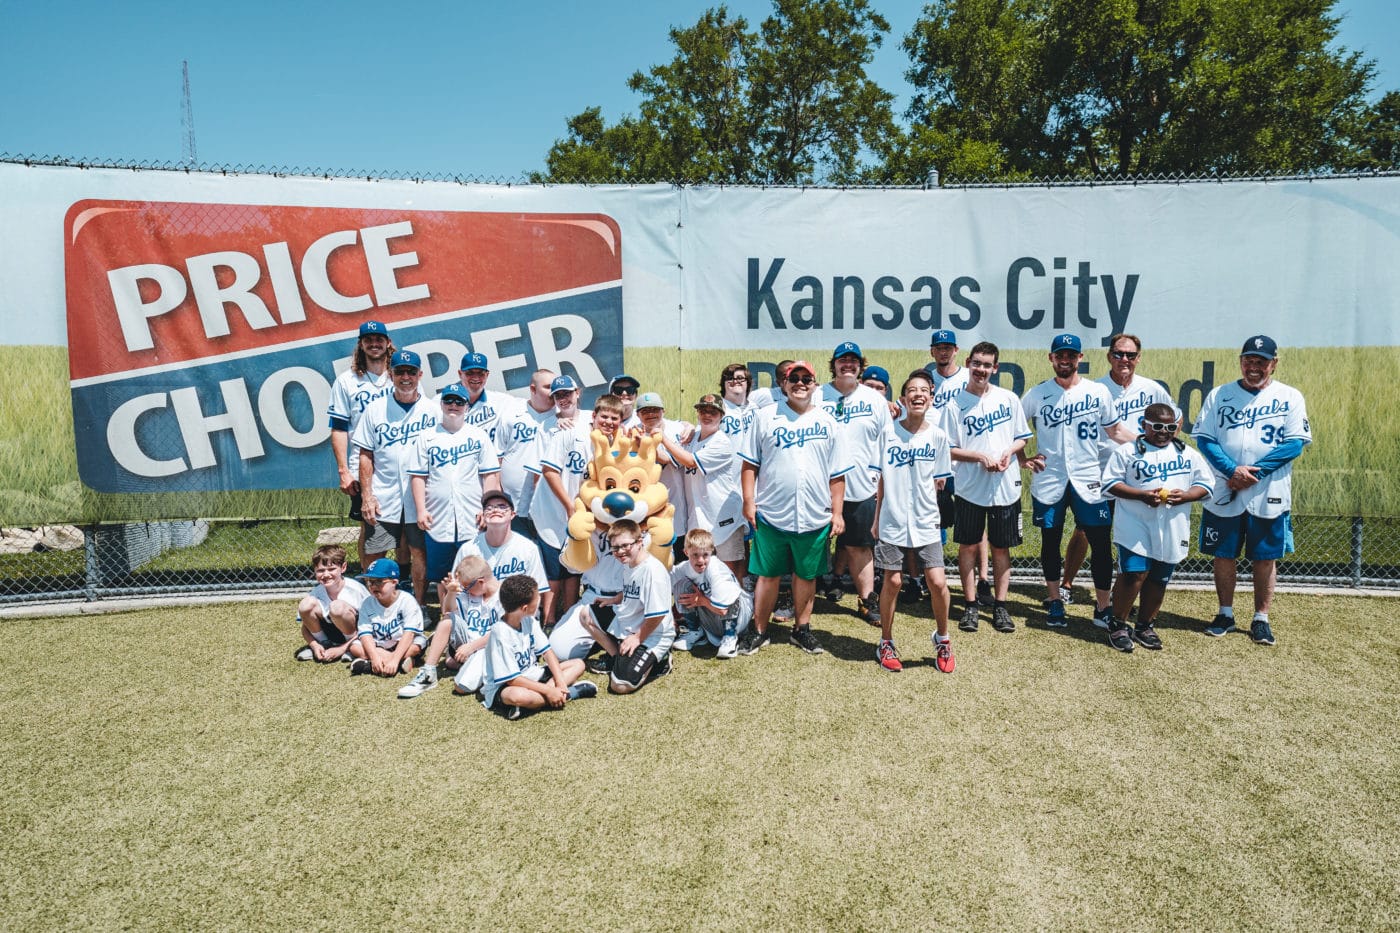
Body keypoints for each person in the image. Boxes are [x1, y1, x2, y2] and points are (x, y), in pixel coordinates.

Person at [1192, 335, 1312, 646]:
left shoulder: (1290, 396)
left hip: (1267, 488)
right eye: (1249, 360)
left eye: (1261, 361)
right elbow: (1205, 438)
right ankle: (1225, 613)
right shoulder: (1220, 394)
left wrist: (1251, 474)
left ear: (1274, 363)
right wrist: (1232, 470)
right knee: (1224, 553)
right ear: (1241, 361)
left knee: (1265, 557)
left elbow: (1294, 443)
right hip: (1226, 485)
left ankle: (1261, 618)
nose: (1254, 366)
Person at [738, 359, 852, 656]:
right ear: (783, 384)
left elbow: (837, 474)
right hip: (772, 512)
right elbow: (750, 464)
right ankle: (759, 630)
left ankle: (802, 629)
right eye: (794, 378)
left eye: (807, 379)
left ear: (815, 384)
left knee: (806, 575)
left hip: (814, 515)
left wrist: (837, 512)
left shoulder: (828, 422)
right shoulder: (765, 417)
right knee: (768, 575)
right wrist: (749, 502)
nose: (800, 383)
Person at [1022, 334, 1135, 628]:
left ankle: (1102, 606)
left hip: (1089, 479)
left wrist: (1148, 443)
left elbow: (1115, 431)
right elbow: (1015, 430)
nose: (1065, 360)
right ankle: (1055, 601)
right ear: (1051, 358)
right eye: (1060, 355)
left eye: (1071, 355)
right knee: (1050, 542)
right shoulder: (1037, 393)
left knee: (1099, 543)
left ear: (1079, 358)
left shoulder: (1097, 392)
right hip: (1050, 481)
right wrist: (1022, 458)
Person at [1060, 333, 1173, 611]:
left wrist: (1158, 452)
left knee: (1133, 534)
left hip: (1140, 477)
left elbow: (1174, 419)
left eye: (1130, 355)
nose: (1124, 359)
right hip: (1101, 472)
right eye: (1119, 354)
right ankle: (1066, 584)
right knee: (1086, 530)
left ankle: (1124, 591)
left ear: (1138, 358)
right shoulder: (1095, 388)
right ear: (1109, 356)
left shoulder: (1152, 389)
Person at [1102, 403, 1214, 652]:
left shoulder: (1187, 453)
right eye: (1158, 426)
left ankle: (1144, 625)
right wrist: (1140, 495)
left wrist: (1186, 496)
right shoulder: (1127, 452)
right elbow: (1109, 484)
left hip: (1172, 525)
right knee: (1133, 574)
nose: (1164, 431)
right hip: (1135, 521)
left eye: (1170, 427)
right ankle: (1118, 624)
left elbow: (1206, 485)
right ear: (1144, 425)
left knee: (1159, 578)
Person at [872, 371, 956, 673]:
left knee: (936, 581)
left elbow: (939, 484)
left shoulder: (938, 436)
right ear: (903, 398)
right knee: (892, 582)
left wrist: (931, 515)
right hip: (892, 520)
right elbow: (881, 480)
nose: (918, 394)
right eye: (911, 390)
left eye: (924, 390)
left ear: (931, 398)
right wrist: (877, 518)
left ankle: (943, 639)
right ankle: (886, 641)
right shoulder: (888, 433)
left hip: (925, 521)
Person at [948, 342, 1031, 634]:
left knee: (1000, 547)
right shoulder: (955, 404)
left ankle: (1000, 606)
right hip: (970, 488)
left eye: (987, 365)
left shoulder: (1008, 399)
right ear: (969, 363)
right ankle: (970, 606)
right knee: (968, 546)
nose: (981, 370)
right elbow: (949, 449)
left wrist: (1009, 452)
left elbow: (1022, 437)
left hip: (1005, 487)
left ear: (995, 368)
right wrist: (980, 456)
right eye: (977, 364)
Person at [353, 349, 439, 605]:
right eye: (399, 371)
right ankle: (375, 605)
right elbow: (365, 455)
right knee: (375, 552)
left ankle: (420, 604)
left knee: (419, 552)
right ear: (390, 375)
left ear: (419, 375)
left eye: (410, 372)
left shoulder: (433, 410)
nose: (405, 377)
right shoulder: (376, 410)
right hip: (384, 493)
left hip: (421, 497)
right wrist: (366, 496)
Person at [817, 341, 893, 624]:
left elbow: (887, 443)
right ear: (833, 365)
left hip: (861, 485)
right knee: (808, 544)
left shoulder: (874, 400)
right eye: (842, 360)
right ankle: (798, 598)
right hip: (819, 486)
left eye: (853, 360)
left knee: (861, 547)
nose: (847, 365)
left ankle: (866, 600)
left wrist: (883, 479)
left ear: (860, 366)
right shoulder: (816, 396)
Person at [532, 394, 625, 623]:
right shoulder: (570, 433)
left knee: (575, 566)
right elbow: (549, 471)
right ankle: (549, 619)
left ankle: (569, 614)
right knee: (555, 569)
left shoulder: (616, 445)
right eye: (604, 416)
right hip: (554, 510)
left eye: (614, 418)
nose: (609, 422)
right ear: (593, 416)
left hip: (583, 514)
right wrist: (568, 505)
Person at [408, 382, 501, 603]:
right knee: (443, 575)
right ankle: (446, 616)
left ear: (467, 407)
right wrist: (421, 510)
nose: (453, 405)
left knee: (475, 570)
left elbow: (489, 475)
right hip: (438, 517)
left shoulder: (478, 436)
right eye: (449, 400)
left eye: (459, 401)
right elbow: (418, 477)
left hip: (471, 516)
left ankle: (478, 614)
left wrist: (487, 508)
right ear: (441, 404)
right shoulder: (427, 436)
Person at [923, 329, 990, 606]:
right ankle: (932, 578)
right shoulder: (927, 377)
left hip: (962, 458)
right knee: (933, 518)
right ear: (932, 351)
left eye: (948, 347)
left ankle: (983, 578)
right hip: (934, 459)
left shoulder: (967, 376)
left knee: (975, 523)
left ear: (956, 350)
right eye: (939, 347)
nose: (943, 352)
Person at [575, 520, 676, 694]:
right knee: (586, 614)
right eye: (615, 548)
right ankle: (616, 659)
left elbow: (657, 615)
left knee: (620, 685)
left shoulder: (652, 570)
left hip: (653, 634)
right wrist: (616, 599)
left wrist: (637, 638)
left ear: (640, 541)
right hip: (630, 622)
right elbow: (634, 587)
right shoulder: (631, 562)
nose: (620, 551)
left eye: (625, 546)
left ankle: (661, 661)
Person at [480, 575, 595, 720]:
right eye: (537, 598)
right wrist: (548, 690)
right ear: (525, 608)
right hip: (506, 686)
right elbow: (513, 680)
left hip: (534, 676)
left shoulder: (529, 620)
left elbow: (547, 652)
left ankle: (549, 697)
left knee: (578, 664)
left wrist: (559, 682)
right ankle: (570, 693)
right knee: (518, 696)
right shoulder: (500, 632)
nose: (540, 598)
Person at [326, 320, 393, 562]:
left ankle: (402, 579)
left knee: (407, 527)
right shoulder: (347, 381)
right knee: (372, 523)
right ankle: (372, 579)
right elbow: (339, 428)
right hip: (362, 463)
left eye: (379, 339)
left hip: (398, 463)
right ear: (361, 344)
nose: (374, 344)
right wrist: (344, 470)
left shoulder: (402, 375)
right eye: (368, 340)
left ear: (388, 343)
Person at [664, 393, 747, 581]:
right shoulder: (692, 439)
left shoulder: (721, 441)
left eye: (713, 412)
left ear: (721, 416)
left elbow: (690, 461)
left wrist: (662, 439)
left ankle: (734, 607)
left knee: (729, 571)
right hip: (700, 514)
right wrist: (686, 426)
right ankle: (704, 608)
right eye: (703, 410)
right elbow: (672, 458)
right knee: (700, 569)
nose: (707, 415)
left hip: (724, 515)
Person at [398, 555, 500, 698]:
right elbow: (448, 611)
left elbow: (502, 632)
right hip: (467, 643)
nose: (465, 590)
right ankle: (429, 673)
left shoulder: (504, 595)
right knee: (447, 621)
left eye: (467, 587)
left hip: (491, 648)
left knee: (461, 686)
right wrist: (451, 592)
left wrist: (472, 647)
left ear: (481, 582)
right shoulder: (472, 590)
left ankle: (487, 674)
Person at [671, 528, 752, 659]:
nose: (700, 560)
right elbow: (662, 586)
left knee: (729, 592)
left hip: (739, 617)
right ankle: (696, 632)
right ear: (686, 552)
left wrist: (701, 600)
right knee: (681, 585)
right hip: (712, 617)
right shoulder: (684, 568)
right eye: (695, 555)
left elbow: (723, 610)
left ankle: (730, 636)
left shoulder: (716, 568)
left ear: (712, 552)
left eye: (705, 555)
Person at [495, 368, 558, 533]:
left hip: (547, 507)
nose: (553, 392)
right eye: (547, 387)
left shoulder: (561, 419)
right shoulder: (511, 414)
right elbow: (497, 458)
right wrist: (498, 495)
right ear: (532, 389)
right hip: (511, 504)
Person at [452, 489, 550, 592]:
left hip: (516, 606)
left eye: (502, 506)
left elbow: (536, 593)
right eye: (489, 508)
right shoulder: (468, 549)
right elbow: (457, 592)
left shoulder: (528, 548)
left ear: (512, 514)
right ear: (484, 515)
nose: (495, 510)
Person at [634, 392, 692, 560]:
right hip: (652, 510)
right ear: (638, 415)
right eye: (645, 411)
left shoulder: (679, 429)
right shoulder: (635, 434)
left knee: (681, 561)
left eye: (655, 409)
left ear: (663, 411)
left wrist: (690, 427)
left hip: (681, 506)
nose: (651, 414)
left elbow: (670, 460)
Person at [348, 558, 426, 678]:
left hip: (402, 644)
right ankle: (401, 663)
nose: (373, 586)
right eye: (370, 581)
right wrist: (374, 656)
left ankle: (369, 666)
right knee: (355, 647)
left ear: (394, 582)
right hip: (379, 645)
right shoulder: (367, 603)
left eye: (379, 581)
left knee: (417, 646)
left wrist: (394, 659)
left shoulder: (407, 600)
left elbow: (409, 634)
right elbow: (365, 634)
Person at [294, 544, 368, 663]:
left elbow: (371, 624)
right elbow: (305, 627)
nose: (326, 574)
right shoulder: (316, 592)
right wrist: (314, 645)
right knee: (305, 604)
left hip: (356, 635)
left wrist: (341, 649)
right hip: (330, 633)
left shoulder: (356, 591)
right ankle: (323, 645)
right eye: (321, 570)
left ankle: (352, 648)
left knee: (337, 607)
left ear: (343, 567)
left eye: (332, 569)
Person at [456, 351, 517, 448]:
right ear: (460, 374)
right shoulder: (441, 402)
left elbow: (532, 407)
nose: (476, 378)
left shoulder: (502, 401)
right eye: (470, 373)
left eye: (481, 373)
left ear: (487, 375)